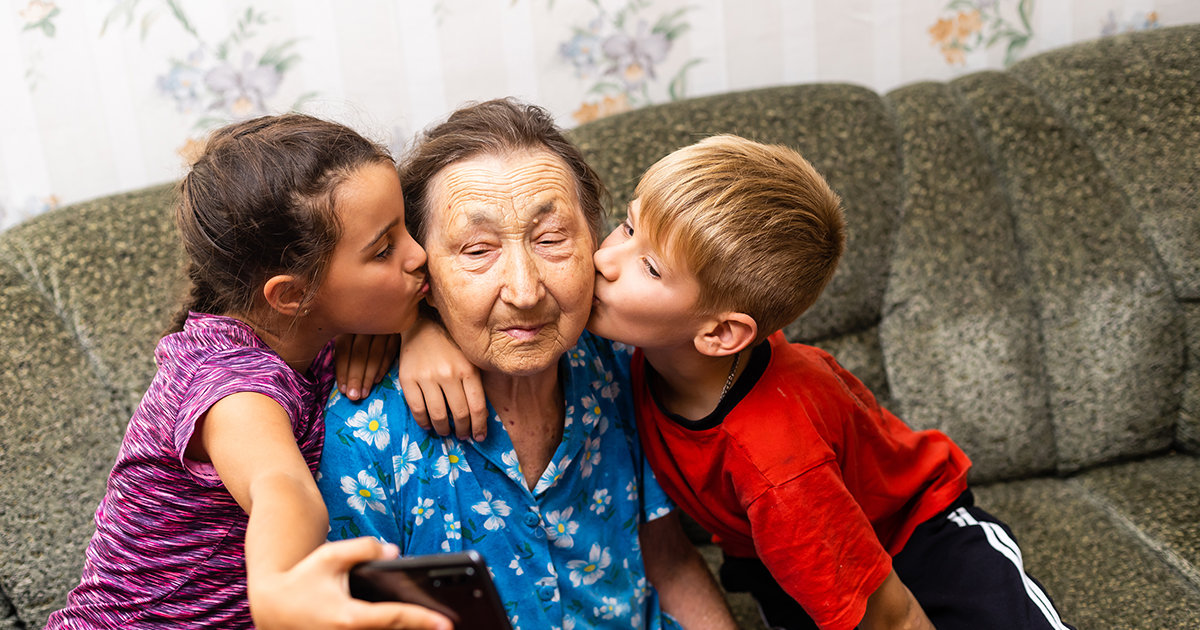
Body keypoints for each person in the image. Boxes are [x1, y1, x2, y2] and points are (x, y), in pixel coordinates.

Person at [586, 135, 1072, 630]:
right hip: (775, 558)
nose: (604, 259)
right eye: (627, 226)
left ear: (721, 333)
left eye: (649, 267)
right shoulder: (652, 341)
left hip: (918, 535)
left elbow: (892, 617)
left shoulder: (777, 466)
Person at [317, 99, 738, 630]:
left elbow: (669, 560)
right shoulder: (362, 433)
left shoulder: (623, 364)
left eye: (552, 239)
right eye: (476, 250)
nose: (524, 291)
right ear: (424, 273)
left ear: (595, 248)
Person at [47, 114, 451, 630]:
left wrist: (422, 330)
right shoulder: (230, 383)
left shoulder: (315, 330)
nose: (420, 255)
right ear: (291, 294)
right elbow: (278, 483)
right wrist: (280, 587)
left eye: (407, 229)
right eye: (384, 249)